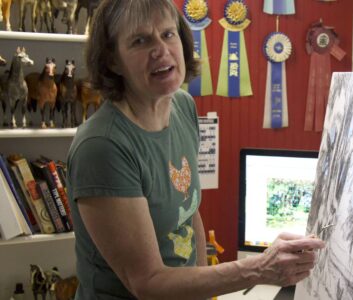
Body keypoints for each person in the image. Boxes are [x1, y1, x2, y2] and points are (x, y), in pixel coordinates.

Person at [66, 1, 325, 299]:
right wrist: (260, 269)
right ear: (112, 60)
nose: (161, 50)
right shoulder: (102, 147)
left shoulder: (181, 105)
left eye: (168, 34)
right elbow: (147, 283)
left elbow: (189, 212)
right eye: (140, 40)